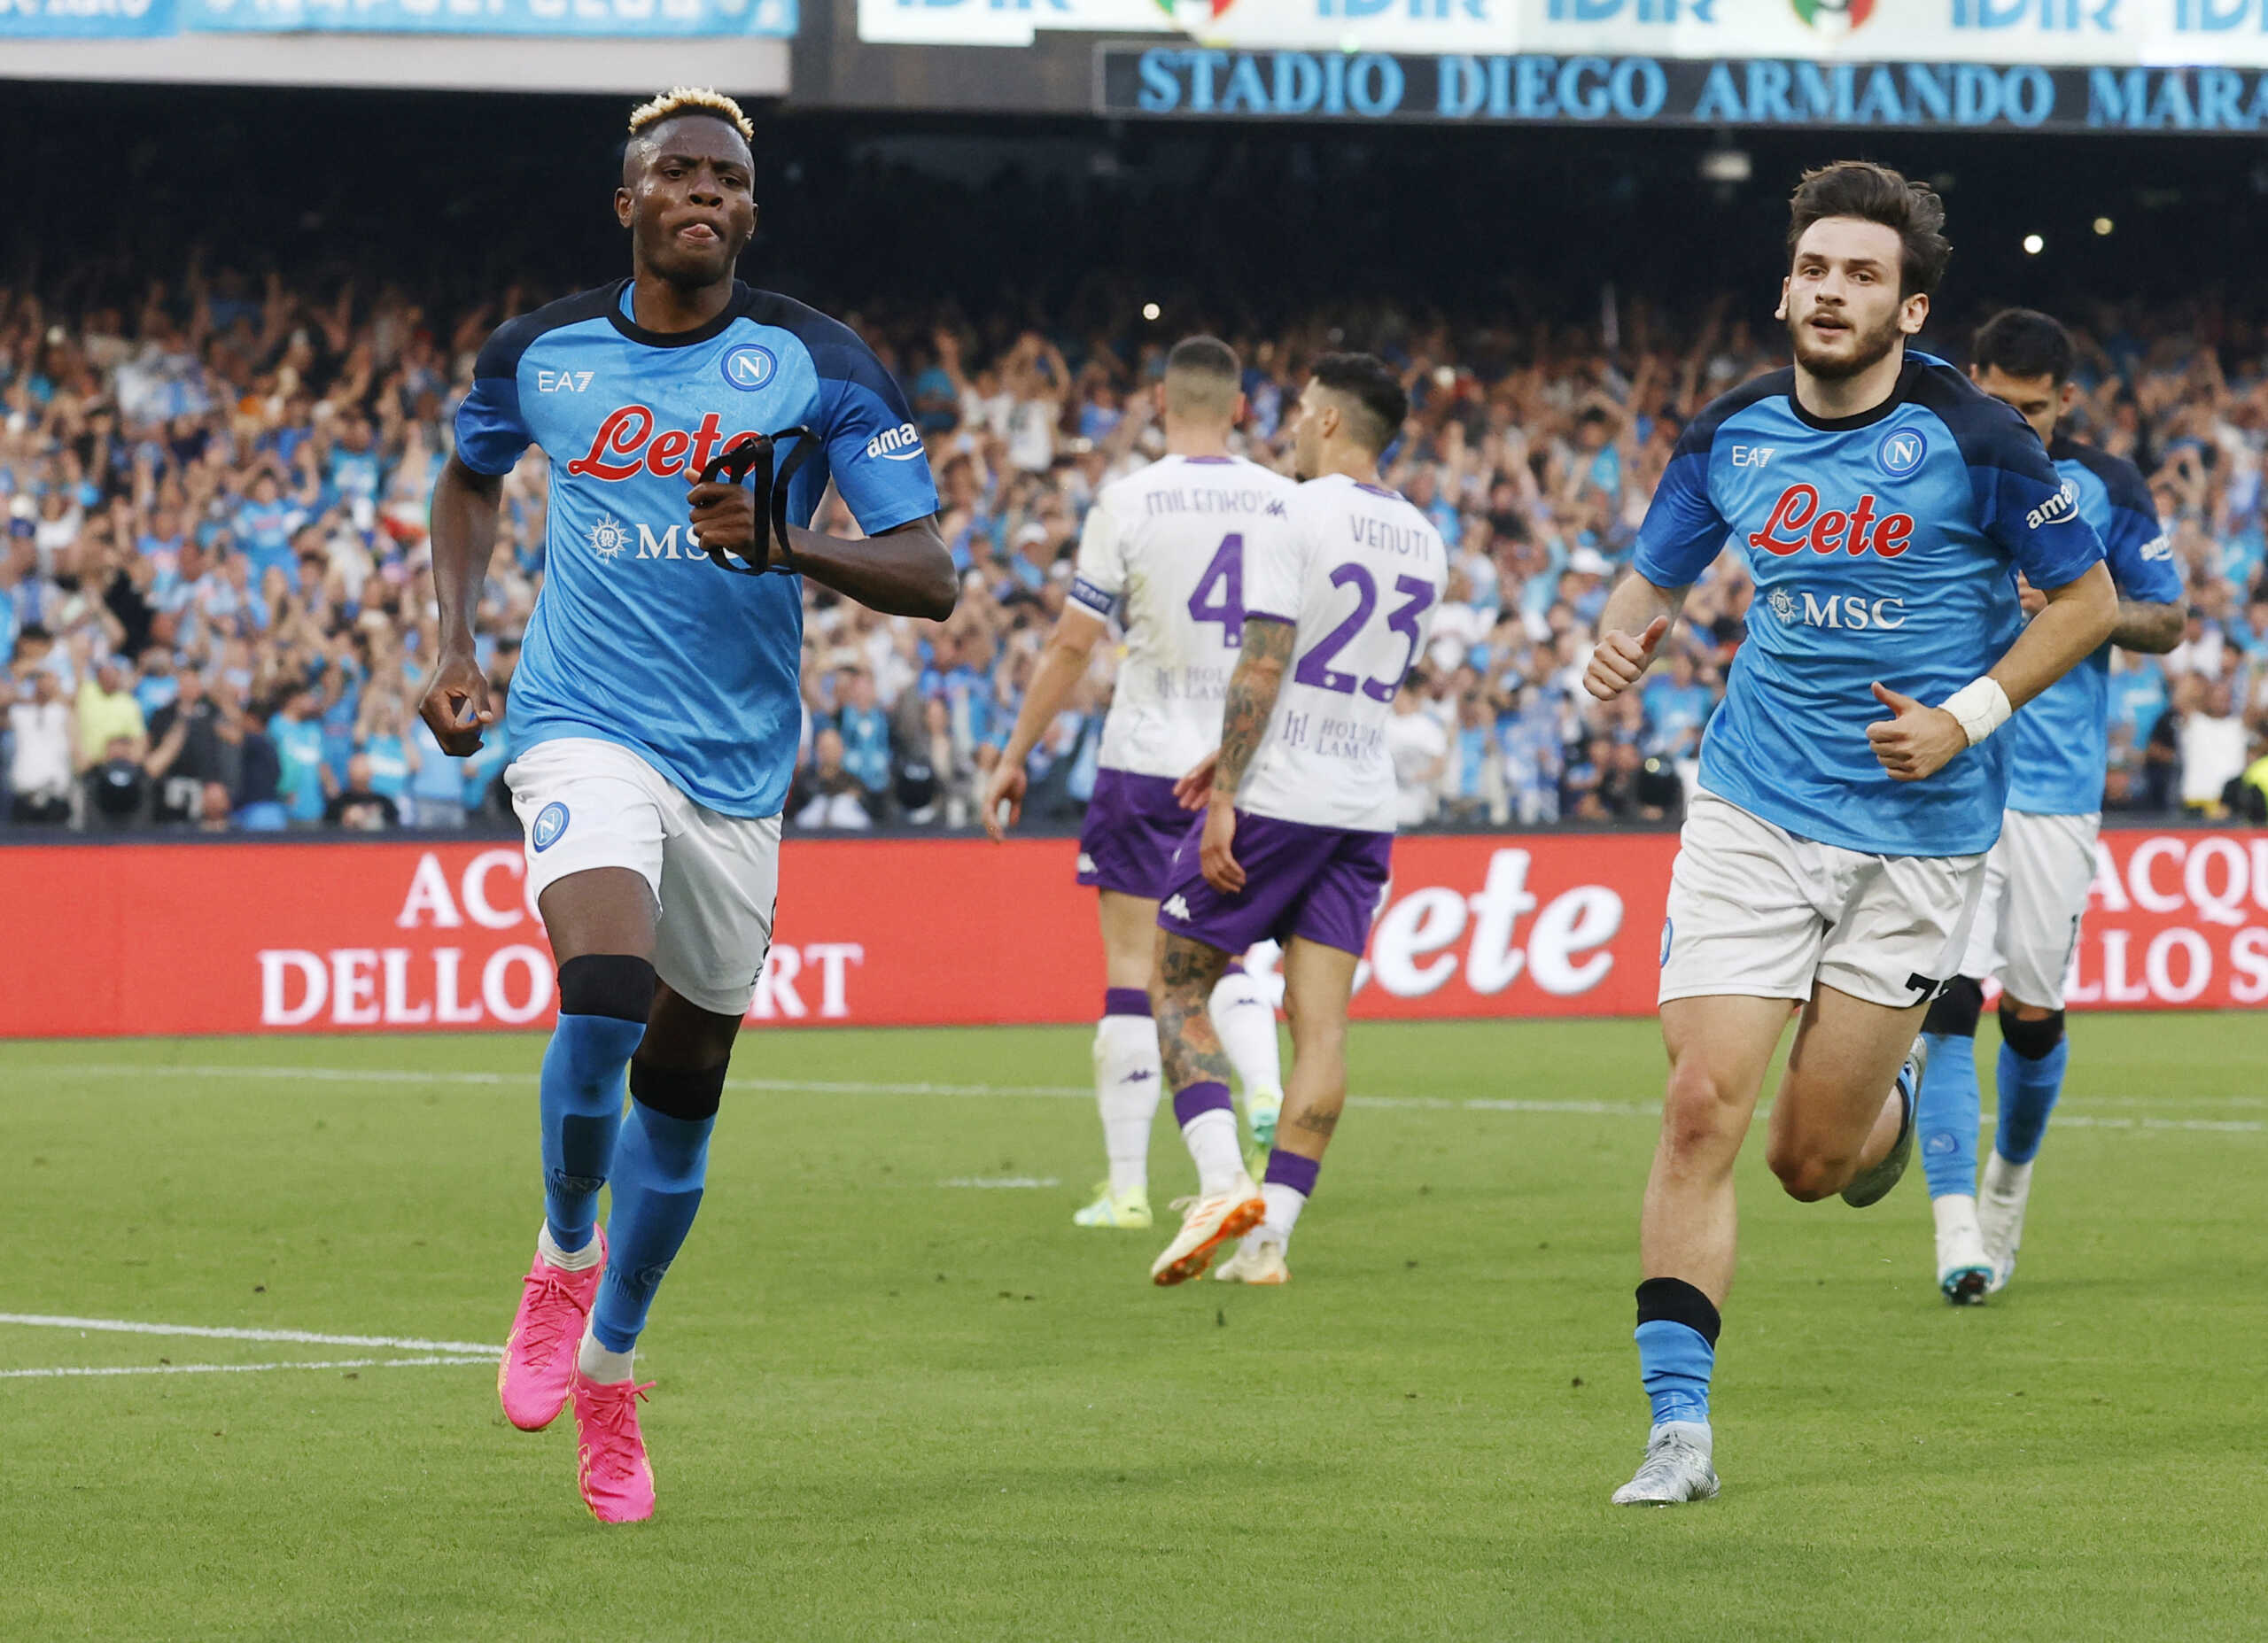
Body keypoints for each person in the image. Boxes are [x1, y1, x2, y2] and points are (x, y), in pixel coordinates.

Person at [418, 87, 954, 1524]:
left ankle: (613, 1365)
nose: (702, 191)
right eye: (676, 173)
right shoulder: (542, 355)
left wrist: (789, 541)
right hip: (580, 725)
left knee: (687, 1085)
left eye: (727, 175)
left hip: (737, 769)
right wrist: (455, 643)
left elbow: (933, 573)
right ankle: (561, 1252)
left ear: (751, 212)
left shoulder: (817, 363)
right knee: (600, 983)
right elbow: (465, 485)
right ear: (629, 204)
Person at [1582, 162, 2116, 1507]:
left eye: (1862, 274)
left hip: (1921, 833)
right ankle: (1678, 1431)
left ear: (1909, 305)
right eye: (1815, 268)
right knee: (1701, 1101)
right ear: (1787, 287)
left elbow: (2088, 599)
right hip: (1757, 802)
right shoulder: (1730, 429)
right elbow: (1654, 569)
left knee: (1806, 1160)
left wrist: (1966, 715)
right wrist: (1620, 636)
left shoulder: (1981, 439)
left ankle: (1874, 1135)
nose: (1832, 291)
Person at [1145, 353, 1444, 1288]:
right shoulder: (1425, 537)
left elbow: (1267, 663)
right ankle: (1269, 1240)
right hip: (1363, 801)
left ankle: (1222, 1179)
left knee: (1175, 979)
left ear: (1324, 421)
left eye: (1297, 411)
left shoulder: (1293, 508)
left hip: (1278, 793)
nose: (1284, 426)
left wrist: (1227, 789)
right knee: (1321, 1030)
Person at [982, 336, 1290, 1232]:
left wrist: (1014, 752)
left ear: (1160, 402)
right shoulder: (1283, 500)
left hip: (1148, 758)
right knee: (1219, 955)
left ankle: (1125, 1188)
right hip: (1246, 768)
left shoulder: (1128, 500)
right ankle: (1262, 1084)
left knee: (1132, 969)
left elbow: (1073, 642)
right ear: (1240, 408)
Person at [1913, 309, 2184, 1303]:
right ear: (1971, 380)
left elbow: (2169, 617)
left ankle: (2006, 1188)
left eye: (2033, 409)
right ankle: (1954, 1232)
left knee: (2030, 1015)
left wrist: (2085, 604)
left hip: (2055, 788)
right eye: (2000, 403)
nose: (2016, 424)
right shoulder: (1932, 462)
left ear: (2064, 400)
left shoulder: (2104, 486)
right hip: (1952, 768)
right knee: (1947, 1001)